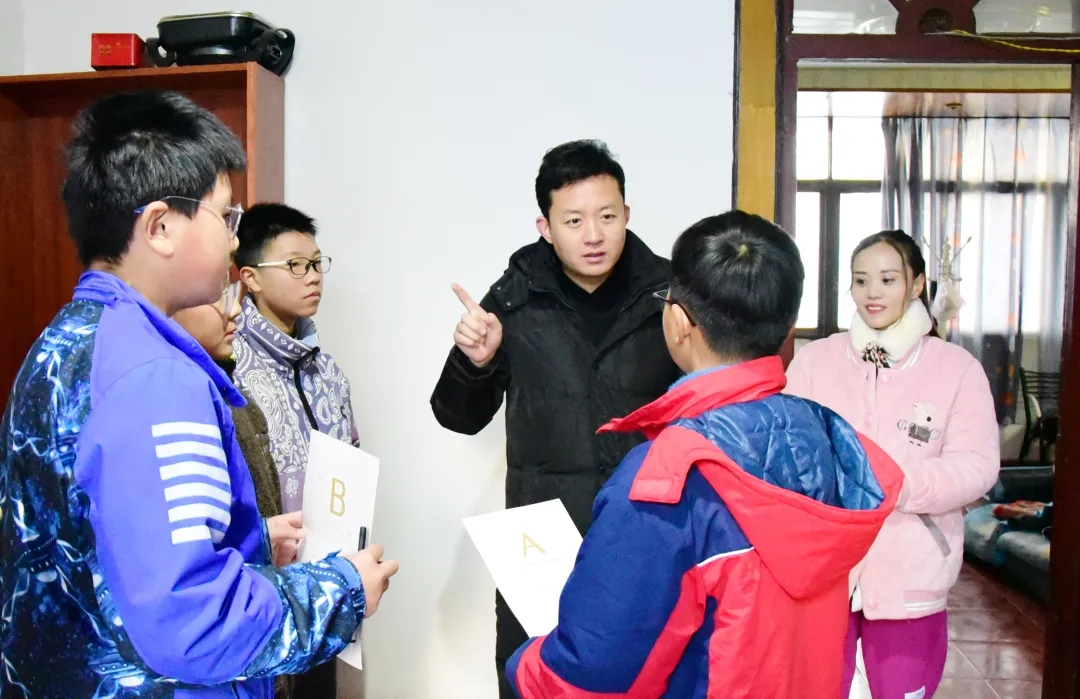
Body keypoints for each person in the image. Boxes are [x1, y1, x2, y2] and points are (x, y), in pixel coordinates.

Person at [0, 90, 398, 699]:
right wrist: (341, 590)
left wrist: (250, 540)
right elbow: (196, 622)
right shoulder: (157, 377)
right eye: (225, 217)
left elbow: (109, 548)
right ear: (160, 227)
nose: (235, 242)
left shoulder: (62, 343)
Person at [505, 211, 904, 698]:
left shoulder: (667, 481)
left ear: (678, 321)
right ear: (787, 326)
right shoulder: (825, 439)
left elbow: (591, 676)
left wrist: (524, 665)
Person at [429, 139, 681, 697]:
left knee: (645, 680)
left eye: (607, 216)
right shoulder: (513, 299)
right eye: (573, 220)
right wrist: (475, 361)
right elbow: (456, 416)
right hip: (538, 547)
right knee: (534, 681)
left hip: (644, 538)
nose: (593, 235)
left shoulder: (669, 297)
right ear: (545, 227)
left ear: (627, 214)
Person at [785, 229, 1000, 699]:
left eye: (887, 279)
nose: (872, 293)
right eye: (861, 280)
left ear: (916, 284)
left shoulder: (956, 368)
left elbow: (978, 465)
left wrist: (899, 483)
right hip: (825, 575)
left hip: (911, 575)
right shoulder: (815, 361)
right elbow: (788, 451)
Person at [232, 202, 359, 697]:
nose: (313, 276)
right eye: (295, 265)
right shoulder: (230, 367)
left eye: (316, 263)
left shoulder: (327, 371)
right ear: (250, 278)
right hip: (263, 589)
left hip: (327, 581)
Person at [173, 281, 301, 699]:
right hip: (214, 651)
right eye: (217, 298)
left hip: (255, 610)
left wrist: (262, 537)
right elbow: (188, 555)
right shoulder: (175, 401)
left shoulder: (229, 393)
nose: (234, 312)